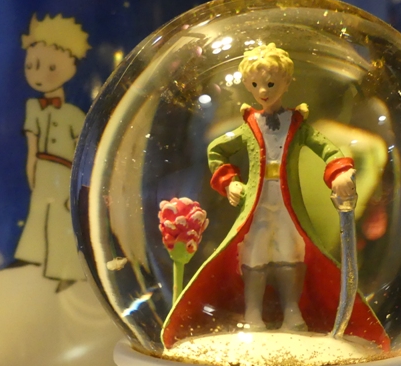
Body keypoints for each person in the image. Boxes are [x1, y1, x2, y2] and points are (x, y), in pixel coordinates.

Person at [162, 44, 388, 349]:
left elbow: (328, 149)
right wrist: (230, 183)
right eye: (255, 84)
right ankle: (253, 313)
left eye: (270, 84)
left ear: (286, 82)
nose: (263, 91)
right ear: (246, 85)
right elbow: (216, 149)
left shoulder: (296, 124)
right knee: (254, 254)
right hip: (257, 202)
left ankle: (292, 311)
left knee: (289, 253)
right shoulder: (249, 124)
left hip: (286, 203)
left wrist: (339, 172)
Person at [14, 14, 90, 290]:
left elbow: (84, 155)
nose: (39, 74)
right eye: (31, 65)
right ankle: (36, 267)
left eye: (51, 67)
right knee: (38, 215)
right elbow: (32, 148)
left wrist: (78, 189)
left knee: (61, 222)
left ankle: (66, 273)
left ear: (72, 64)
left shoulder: (74, 114)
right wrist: (32, 174)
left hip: (65, 173)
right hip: (43, 170)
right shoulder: (33, 108)